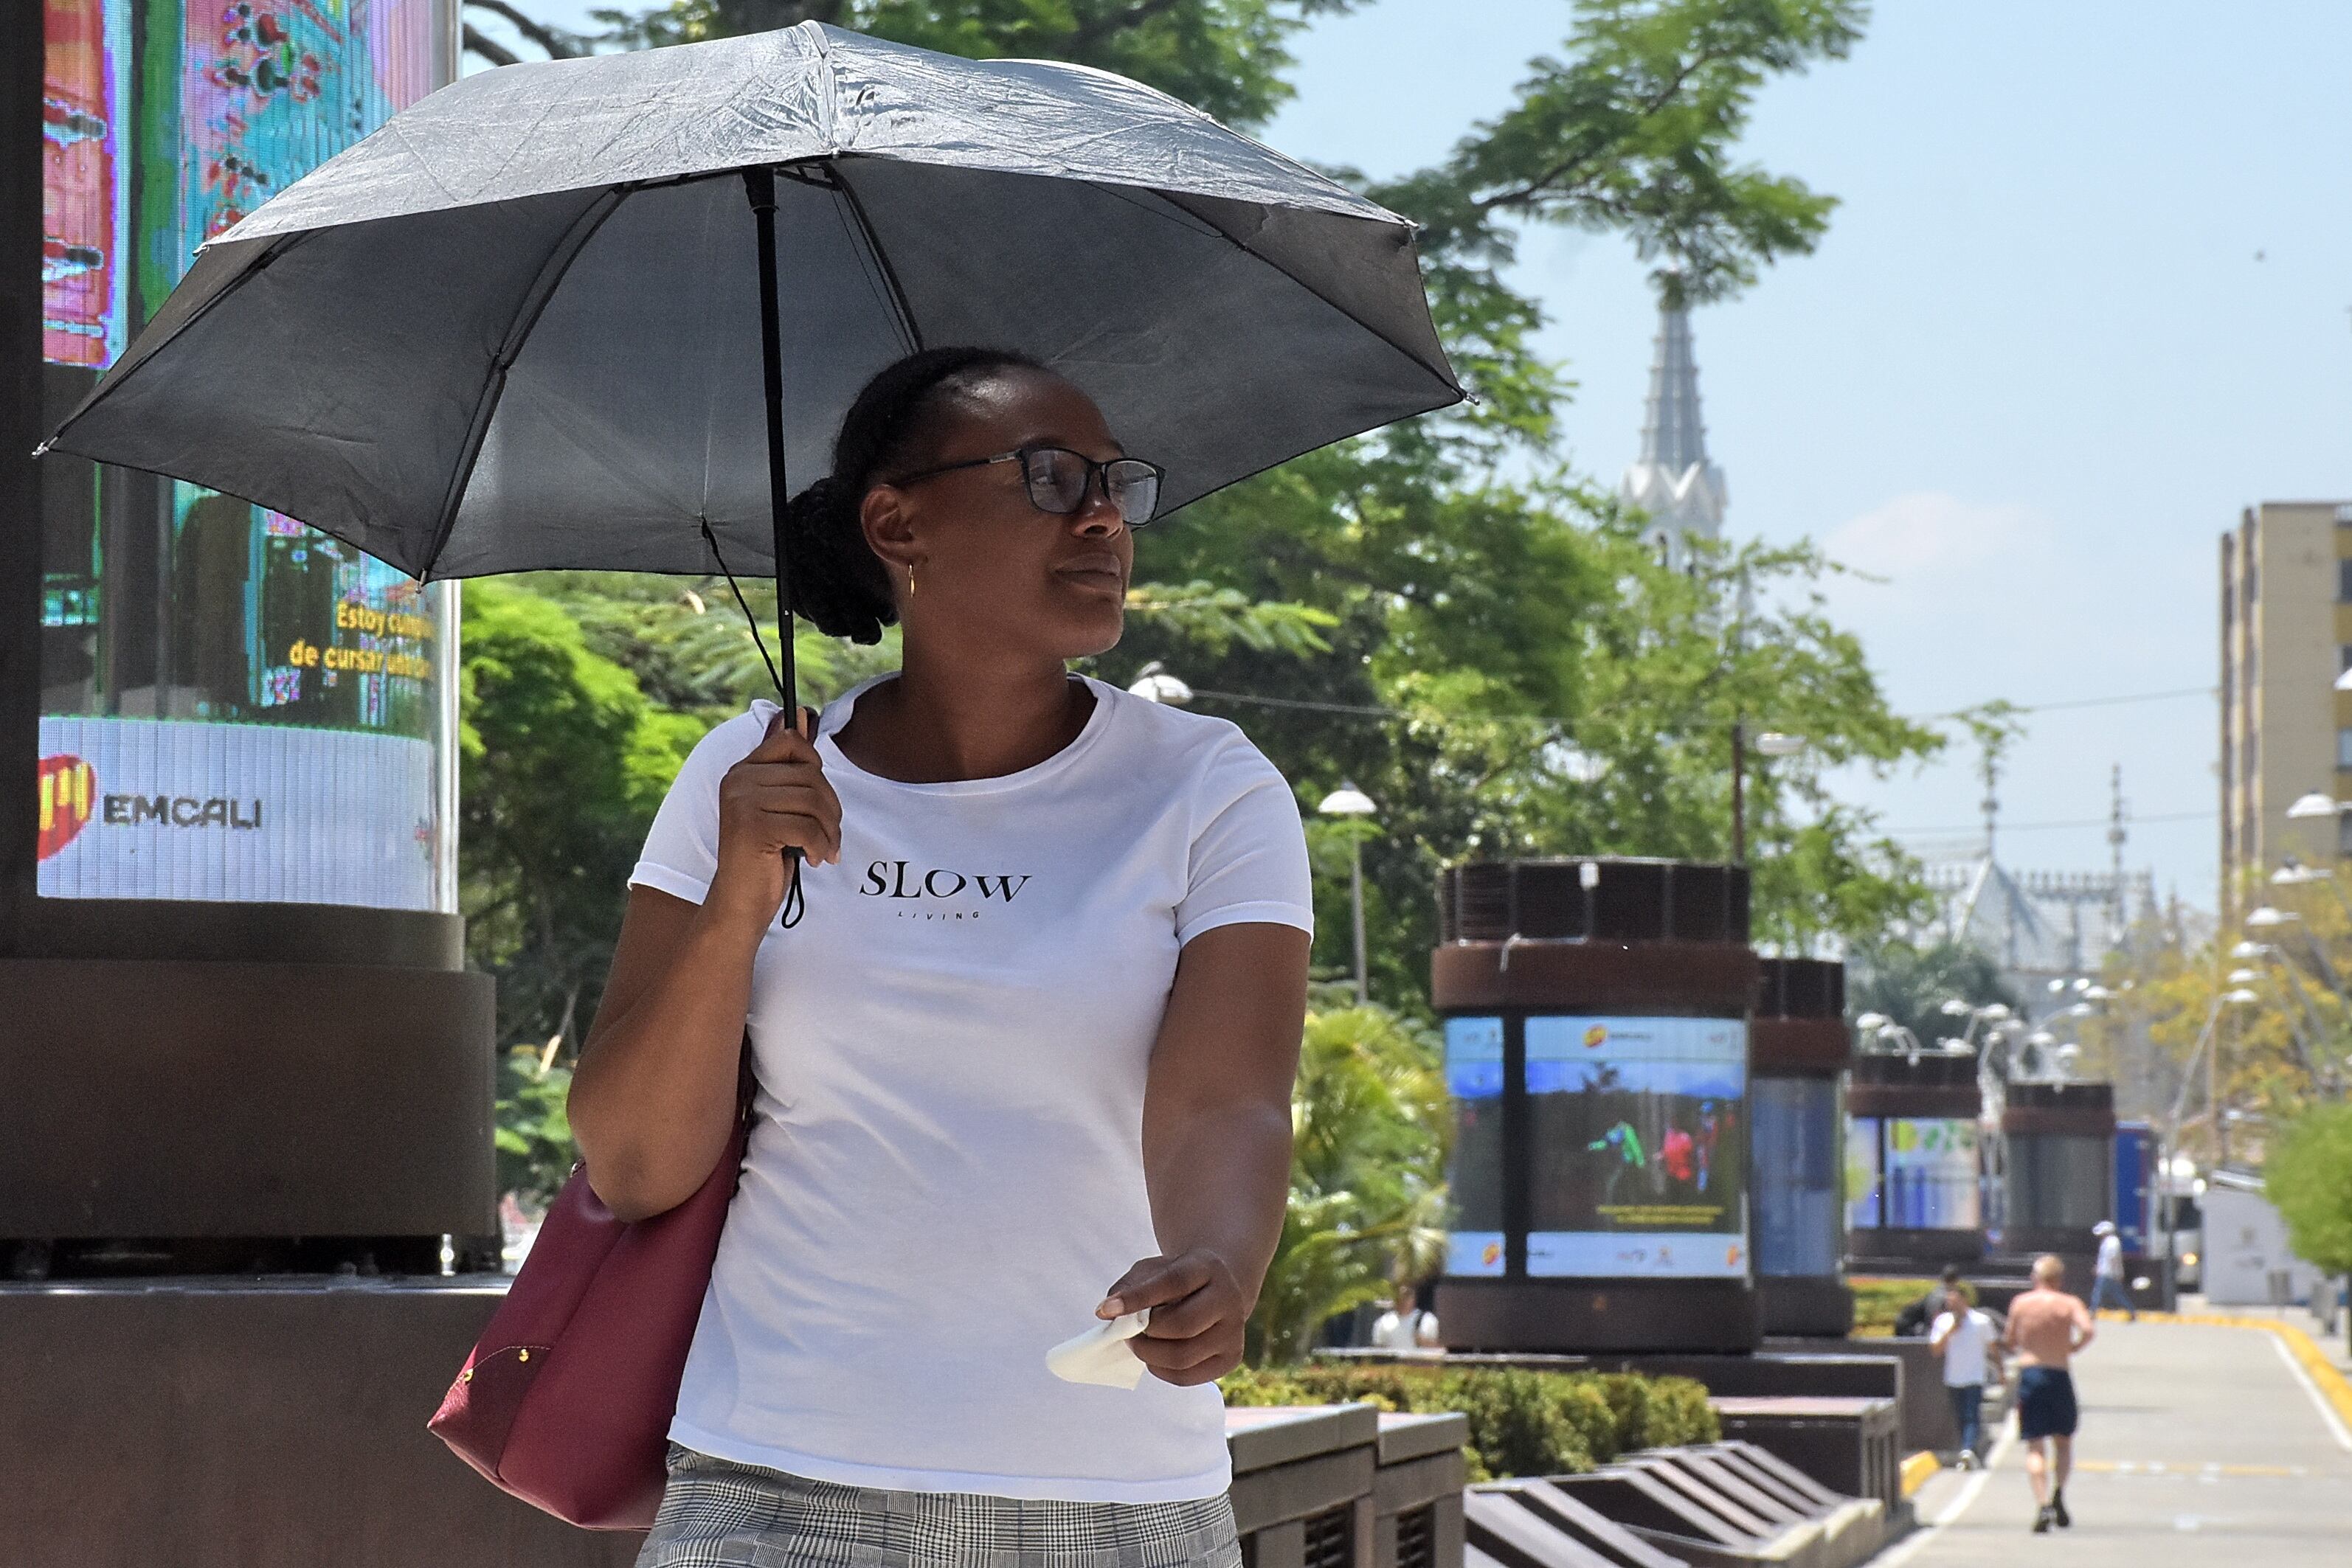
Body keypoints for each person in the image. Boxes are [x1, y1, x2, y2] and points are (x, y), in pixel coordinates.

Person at [570, 348, 1315, 1568]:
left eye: (1114, 485)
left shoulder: (1205, 788)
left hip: (1111, 1498)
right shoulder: (744, 778)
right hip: (772, 1492)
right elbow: (636, 1161)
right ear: (894, 520)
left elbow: (1225, 1102)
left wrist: (1213, 1262)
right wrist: (737, 897)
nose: (1099, 515)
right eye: (1048, 475)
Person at [2004, 1254, 2097, 1533]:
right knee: (2064, 1442)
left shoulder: (2022, 1304)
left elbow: (2010, 1339)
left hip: (2032, 1373)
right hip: (2059, 1372)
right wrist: (2073, 1347)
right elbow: (2088, 1330)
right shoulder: (2069, 1304)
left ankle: (2042, 1502)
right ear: (2059, 1280)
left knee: (2035, 1446)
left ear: (2037, 1278)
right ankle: (2058, 1492)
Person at [1929, 1276, 2002, 1469]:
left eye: (1956, 1299)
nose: (1952, 1303)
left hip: (1975, 1377)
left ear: (1965, 1300)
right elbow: (1936, 1350)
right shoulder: (1943, 1322)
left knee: (1971, 1415)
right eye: (1949, 1300)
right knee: (1960, 1416)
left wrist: (2000, 1372)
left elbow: (1993, 1348)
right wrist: (1951, 1331)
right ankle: (1966, 1452)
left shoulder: (1981, 1321)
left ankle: (1968, 1449)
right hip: (1953, 1377)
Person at [1370, 1282, 1441, 1350]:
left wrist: (1425, 1343)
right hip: (1394, 1363)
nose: (1403, 1300)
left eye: (1407, 1295)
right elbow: (1378, 1351)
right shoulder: (1383, 1322)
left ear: (1414, 1297)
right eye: (1399, 1296)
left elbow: (1440, 1351)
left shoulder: (1428, 1320)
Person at [2091, 1221, 2136, 1319]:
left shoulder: (2112, 1242)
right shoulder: (2107, 1242)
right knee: (2117, 1295)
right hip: (2108, 1272)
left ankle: (2093, 1313)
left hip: (2107, 1273)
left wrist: (2117, 1273)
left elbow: (2113, 1258)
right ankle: (2131, 1311)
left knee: (2098, 1294)